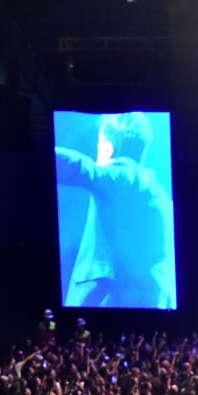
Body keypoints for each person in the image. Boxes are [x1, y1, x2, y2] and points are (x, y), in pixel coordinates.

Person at [55, 112, 176, 310]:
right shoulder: (161, 197)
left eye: (98, 146)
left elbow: (83, 167)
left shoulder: (123, 176)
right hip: (155, 301)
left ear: (108, 149)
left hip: (103, 298)